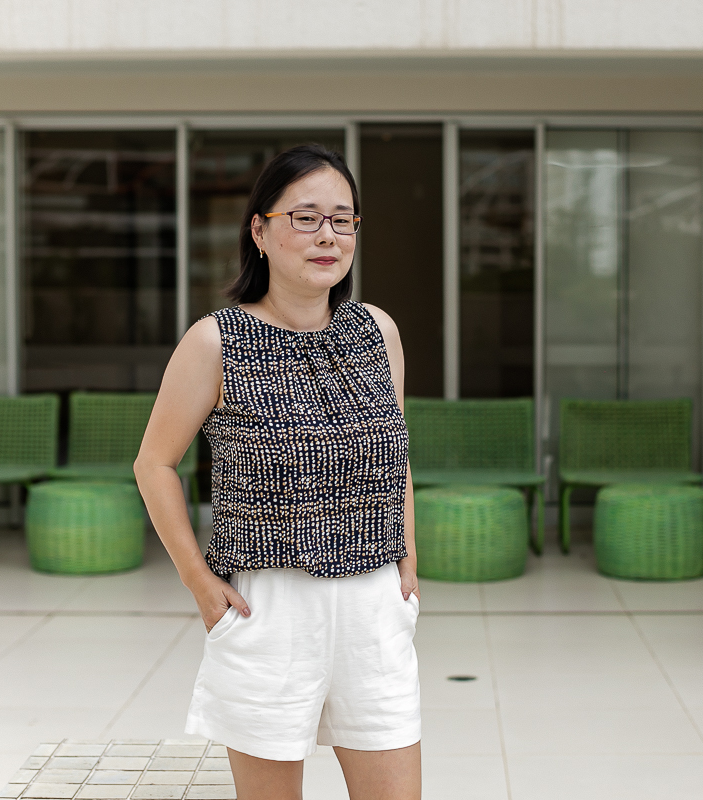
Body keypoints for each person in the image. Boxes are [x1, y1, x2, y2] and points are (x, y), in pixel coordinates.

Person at [134, 144, 420, 800]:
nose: (328, 235)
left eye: (343, 219)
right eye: (306, 216)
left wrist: (408, 563)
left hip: (374, 602)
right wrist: (202, 587)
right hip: (272, 604)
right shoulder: (216, 340)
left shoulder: (378, 332)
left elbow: (397, 452)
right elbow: (154, 463)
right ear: (259, 231)